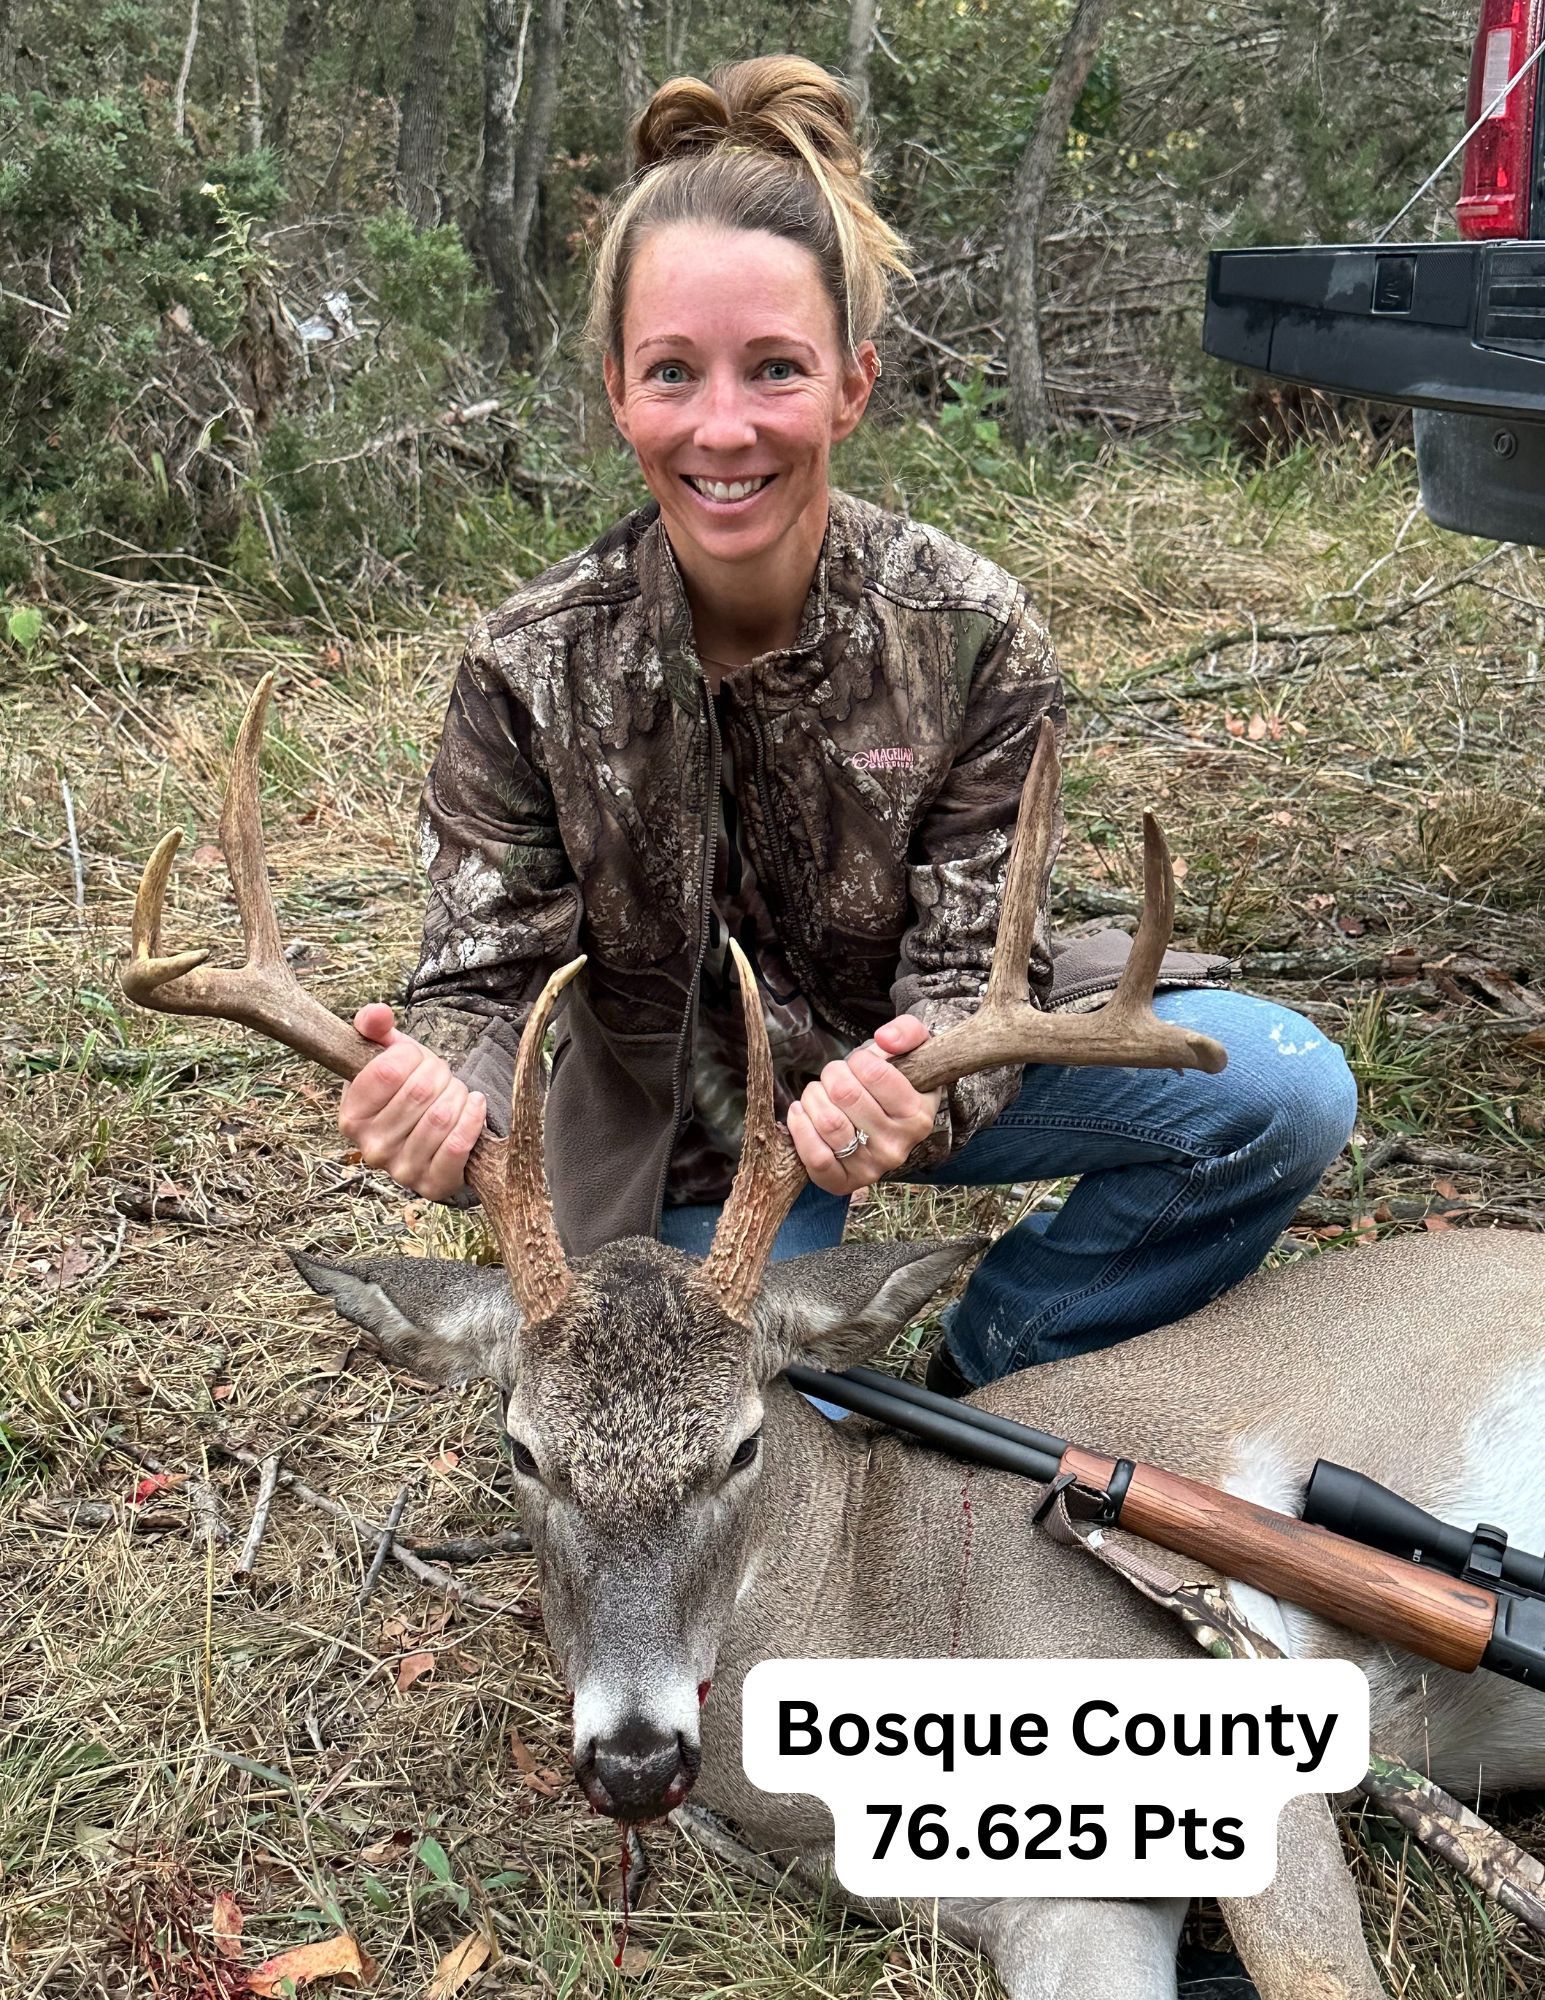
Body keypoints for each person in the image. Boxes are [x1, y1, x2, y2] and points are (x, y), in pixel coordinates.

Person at [337, 54, 1357, 1392]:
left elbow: (973, 957)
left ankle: (1002, 1361)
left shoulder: (969, 630)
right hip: (681, 1133)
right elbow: (483, 983)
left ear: (852, 385)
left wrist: (919, 1079)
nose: (722, 428)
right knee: (726, 1425)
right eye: (671, 373)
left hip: (880, 1086)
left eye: (773, 369)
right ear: (616, 392)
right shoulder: (530, 668)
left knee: (1278, 1096)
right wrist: (445, 1087)